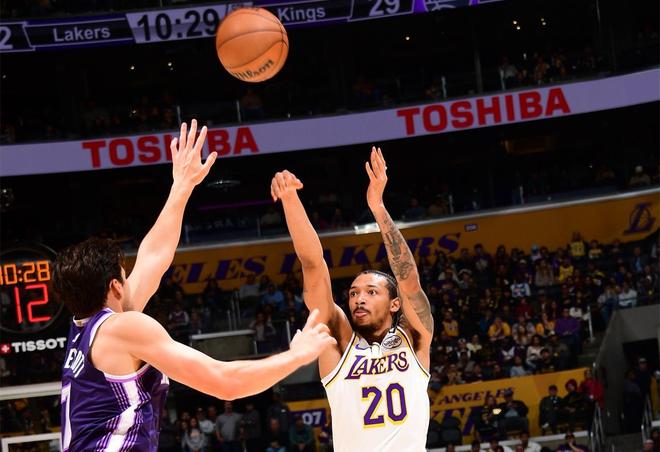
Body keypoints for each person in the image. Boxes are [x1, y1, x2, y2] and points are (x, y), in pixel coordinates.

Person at [54, 121, 336, 451]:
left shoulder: (87, 328)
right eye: (125, 275)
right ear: (115, 287)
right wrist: (297, 355)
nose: (132, 279)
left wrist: (183, 185)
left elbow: (153, 257)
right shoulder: (123, 328)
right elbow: (225, 383)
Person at [271, 147, 432, 451]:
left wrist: (378, 207)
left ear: (394, 304)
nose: (359, 298)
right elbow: (313, 265)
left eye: (371, 292)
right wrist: (291, 200)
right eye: (354, 293)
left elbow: (409, 281)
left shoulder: (413, 338)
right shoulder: (337, 342)